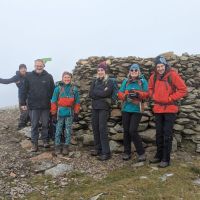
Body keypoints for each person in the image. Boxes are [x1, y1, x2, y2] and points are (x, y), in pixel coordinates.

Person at [149, 55, 187, 168]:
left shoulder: (173, 75)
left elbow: (183, 90)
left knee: (167, 134)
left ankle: (166, 158)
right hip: (158, 109)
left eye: (162, 66)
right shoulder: (153, 77)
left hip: (170, 109)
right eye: (158, 66)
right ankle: (158, 155)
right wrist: (153, 95)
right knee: (159, 133)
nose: (160, 68)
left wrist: (170, 98)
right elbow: (150, 89)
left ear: (165, 65)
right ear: (155, 67)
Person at [20, 59, 55, 152]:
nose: (39, 67)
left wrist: (54, 103)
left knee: (45, 125)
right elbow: (23, 90)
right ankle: (34, 144)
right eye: (37, 65)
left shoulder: (49, 77)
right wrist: (23, 103)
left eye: (40, 66)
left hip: (45, 106)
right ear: (34, 65)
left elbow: (53, 91)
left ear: (44, 66)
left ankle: (45, 141)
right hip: (33, 106)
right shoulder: (28, 76)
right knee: (34, 125)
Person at [118, 64, 148, 162]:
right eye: (132, 70)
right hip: (126, 109)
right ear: (130, 72)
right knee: (126, 131)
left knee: (132, 130)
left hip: (137, 109)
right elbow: (119, 93)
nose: (134, 72)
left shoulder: (142, 81)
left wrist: (138, 94)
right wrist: (126, 96)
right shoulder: (126, 81)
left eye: (136, 70)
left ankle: (141, 153)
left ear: (138, 71)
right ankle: (127, 152)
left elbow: (147, 93)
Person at [51, 71, 80, 155]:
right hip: (59, 112)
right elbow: (53, 101)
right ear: (62, 78)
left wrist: (76, 113)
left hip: (70, 112)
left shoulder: (74, 89)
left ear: (71, 78)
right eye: (65, 77)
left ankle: (66, 147)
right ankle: (57, 146)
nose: (67, 79)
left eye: (68, 77)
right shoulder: (58, 89)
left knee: (68, 129)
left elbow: (77, 102)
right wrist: (53, 114)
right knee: (58, 129)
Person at [89, 61, 114, 161]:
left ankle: (106, 152)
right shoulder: (94, 81)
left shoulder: (110, 81)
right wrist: (101, 93)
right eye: (98, 70)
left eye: (102, 70)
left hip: (104, 107)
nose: (100, 72)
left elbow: (107, 93)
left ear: (105, 71)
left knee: (102, 128)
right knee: (95, 127)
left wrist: (98, 93)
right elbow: (91, 94)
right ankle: (98, 148)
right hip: (95, 107)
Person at [0, 64, 29, 129]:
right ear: (19, 70)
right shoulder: (16, 77)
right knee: (24, 111)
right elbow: (7, 81)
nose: (23, 69)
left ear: (26, 69)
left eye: (24, 68)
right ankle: (21, 125)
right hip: (22, 98)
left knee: (32, 111)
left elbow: (37, 74)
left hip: (30, 97)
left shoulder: (29, 75)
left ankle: (29, 123)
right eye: (21, 68)